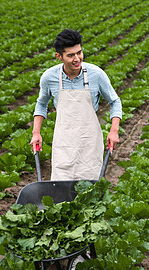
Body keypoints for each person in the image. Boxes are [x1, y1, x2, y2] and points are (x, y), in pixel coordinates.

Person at [30, 29, 122, 181]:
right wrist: (36, 132)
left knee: (89, 187)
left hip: (89, 141)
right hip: (64, 141)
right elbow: (41, 104)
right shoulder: (49, 77)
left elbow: (115, 101)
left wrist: (114, 130)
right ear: (59, 56)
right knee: (60, 186)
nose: (77, 59)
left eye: (79, 53)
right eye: (70, 55)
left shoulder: (96, 74)